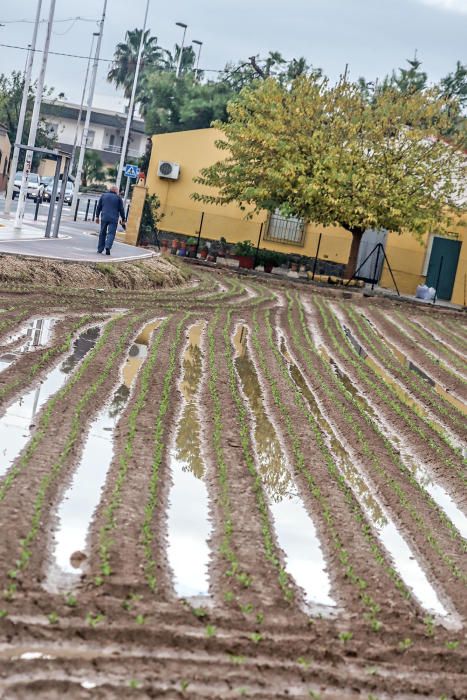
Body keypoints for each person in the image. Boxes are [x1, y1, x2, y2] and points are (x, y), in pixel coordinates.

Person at [95, 185, 126, 255]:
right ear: (116, 191)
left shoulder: (103, 195)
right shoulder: (118, 198)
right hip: (114, 218)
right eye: (118, 191)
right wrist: (123, 218)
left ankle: (100, 249)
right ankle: (108, 246)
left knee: (102, 233)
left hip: (104, 217)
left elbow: (99, 207)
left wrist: (97, 216)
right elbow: (121, 209)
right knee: (111, 233)